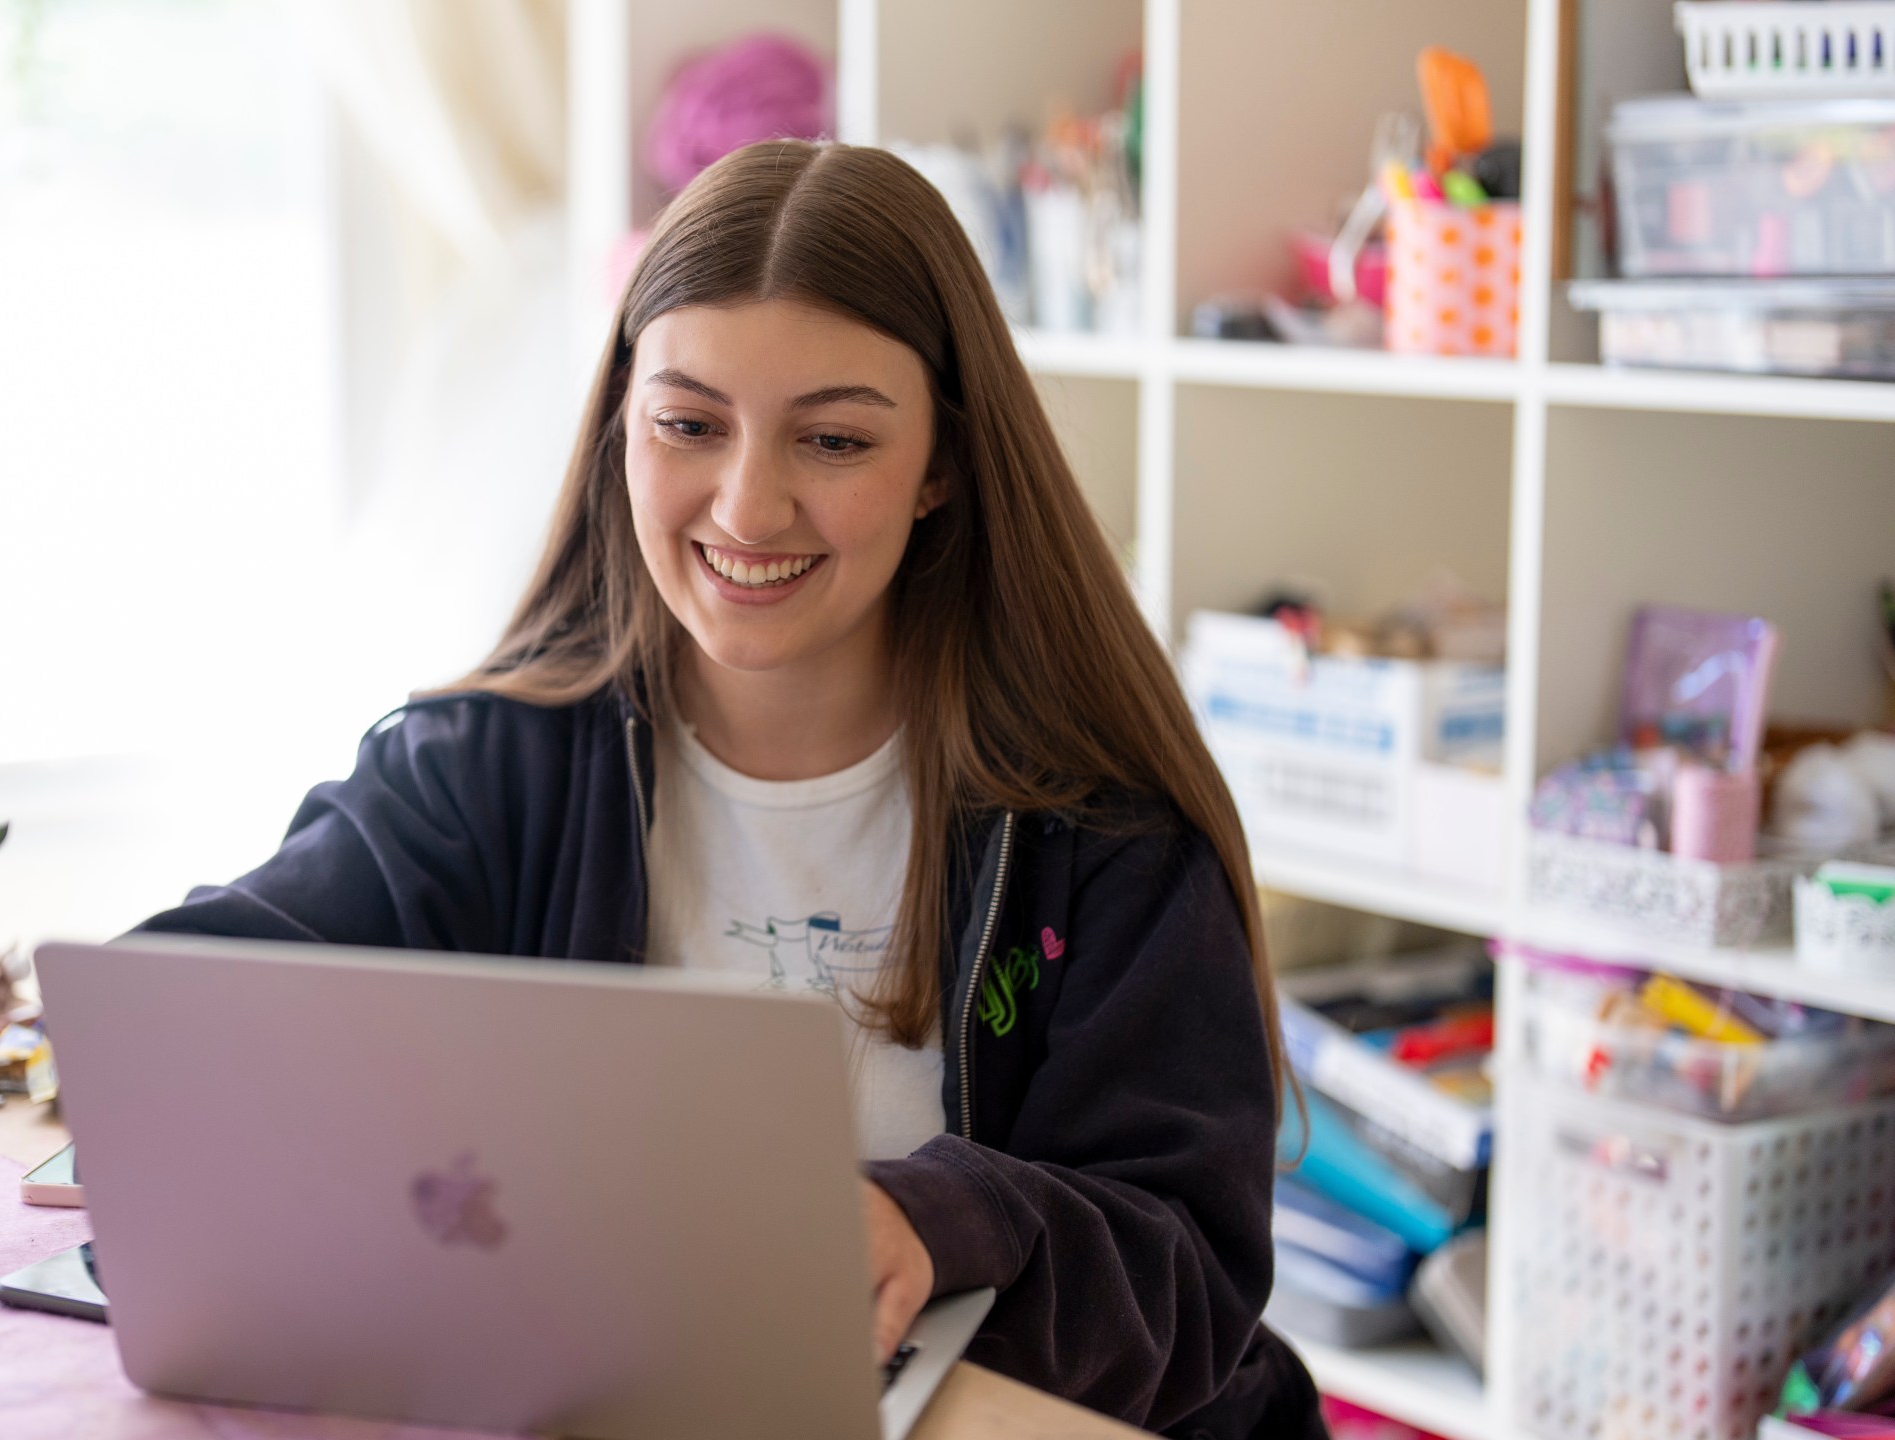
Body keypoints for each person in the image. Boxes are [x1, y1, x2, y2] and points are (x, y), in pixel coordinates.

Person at [139, 139, 1321, 1439]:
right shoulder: (487, 770)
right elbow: (185, 1012)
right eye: (689, 425)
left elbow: (1189, 1273)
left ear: (942, 467)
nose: (749, 507)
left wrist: (938, 1220)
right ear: (620, 430)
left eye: (831, 438)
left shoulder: (1100, 832)